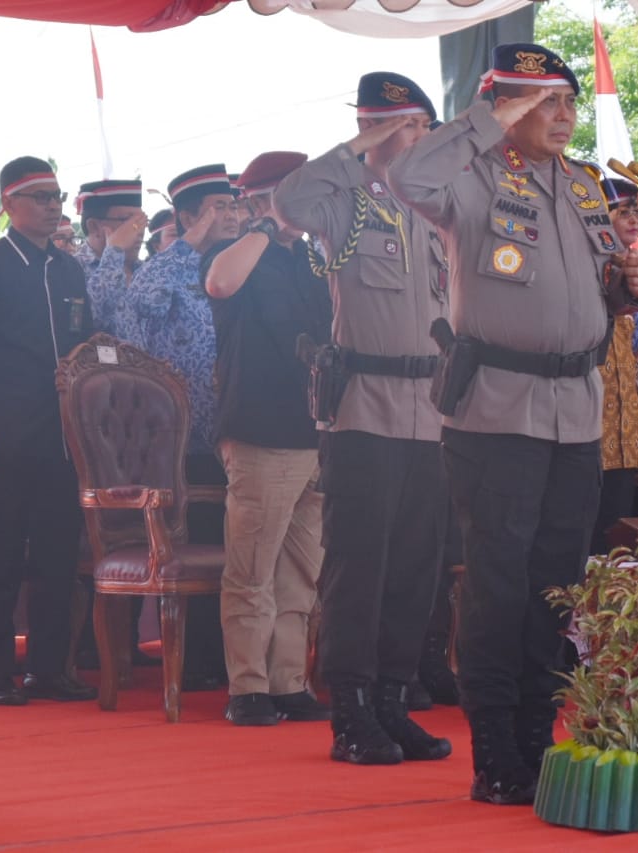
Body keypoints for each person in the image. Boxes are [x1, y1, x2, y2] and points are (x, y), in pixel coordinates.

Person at [389, 42, 638, 804]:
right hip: (497, 411)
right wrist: (485, 119)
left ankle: (543, 735)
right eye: (547, 102)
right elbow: (406, 174)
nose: (566, 116)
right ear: (506, 107)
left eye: (570, 102)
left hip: (577, 411)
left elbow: (601, 287)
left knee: (558, 586)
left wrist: (629, 284)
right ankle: (496, 750)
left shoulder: (580, 187)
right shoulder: (469, 180)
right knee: (498, 585)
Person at [275, 72, 451, 767]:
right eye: (396, 126)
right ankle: (350, 710)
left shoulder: (437, 206)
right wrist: (361, 144)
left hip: (433, 411)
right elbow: (288, 202)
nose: (409, 139)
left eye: (414, 126)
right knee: (358, 567)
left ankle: (391, 701)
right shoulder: (343, 199)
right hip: (363, 409)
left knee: (415, 568)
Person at [201, 152, 333, 726]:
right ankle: (247, 687)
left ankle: (287, 682)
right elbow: (221, 283)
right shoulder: (239, 254)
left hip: (316, 429)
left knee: (301, 570)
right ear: (261, 198)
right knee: (252, 567)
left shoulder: (309, 258)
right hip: (261, 429)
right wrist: (265, 223)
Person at [0, 156, 95, 705]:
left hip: (64, 439)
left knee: (58, 558)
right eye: (39, 196)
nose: (52, 206)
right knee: (0, 556)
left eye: (57, 196)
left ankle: (47, 669)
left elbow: (86, 343)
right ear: (8, 204)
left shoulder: (69, 269)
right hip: (6, 435)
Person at [121, 164, 239, 689]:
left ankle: (241, 662)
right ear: (189, 216)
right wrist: (189, 242)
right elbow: (138, 302)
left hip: (245, 429)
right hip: (185, 445)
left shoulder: (243, 265)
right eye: (221, 208)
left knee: (243, 551)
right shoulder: (170, 269)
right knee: (203, 545)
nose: (233, 216)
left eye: (236, 206)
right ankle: (197, 664)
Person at [592, 177, 638, 554]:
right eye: (624, 212)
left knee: (620, 539)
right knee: (582, 536)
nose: (634, 220)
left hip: (626, 430)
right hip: (589, 427)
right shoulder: (584, 265)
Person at [73, 180, 147, 338]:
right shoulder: (71, 269)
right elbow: (81, 323)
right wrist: (114, 251)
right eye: (130, 223)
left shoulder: (146, 270)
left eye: (141, 222)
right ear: (94, 226)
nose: (139, 231)